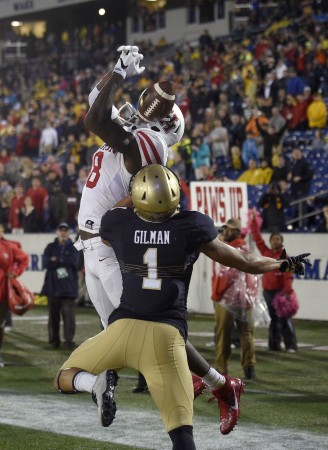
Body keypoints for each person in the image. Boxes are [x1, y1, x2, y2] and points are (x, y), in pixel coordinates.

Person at [54, 165, 310, 447]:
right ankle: (222, 385)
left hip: (121, 331)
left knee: (64, 377)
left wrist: (133, 198)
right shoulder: (192, 226)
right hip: (166, 339)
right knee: (181, 436)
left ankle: (94, 385)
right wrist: (280, 264)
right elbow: (245, 261)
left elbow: (106, 229)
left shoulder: (117, 222)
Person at [76, 45, 229, 398]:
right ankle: (107, 385)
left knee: (144, 325)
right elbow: (95, 98)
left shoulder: (149, 143)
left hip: (109, 246)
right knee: (112, 328)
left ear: (160, 124)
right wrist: (114, 72)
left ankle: (212, 381)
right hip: (90, 244)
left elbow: (94, 118)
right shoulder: (135, 133)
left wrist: (118, 73)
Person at [211, 218, 257, 380]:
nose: (225, 232)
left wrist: (216, 294)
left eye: (228, 229)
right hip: (246, 300)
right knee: (246, 334)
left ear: (237, 231)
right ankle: (249, 366)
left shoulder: (232, 248)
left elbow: (225, 275)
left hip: (227, 299)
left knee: (223, 334)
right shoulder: (246, 247)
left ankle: (221, 368)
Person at [250, 208, 298, 352]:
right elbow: (257, 238)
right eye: (273, 239)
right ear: (270, 241)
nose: (275, 241)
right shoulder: (266, 252)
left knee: (285, 320)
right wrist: (253, 221)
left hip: (280, 293)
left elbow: (288, 276)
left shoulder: (286, 257)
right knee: (272, 321)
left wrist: (287, 292)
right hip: (268, 292)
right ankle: (274, 344)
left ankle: (291, 345)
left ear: (281, 242)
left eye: (278, 239)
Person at [41, 222, 79, 349]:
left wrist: (56, 259)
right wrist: (62, 260)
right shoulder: (50, 247)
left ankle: (69, 341)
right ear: (57, 232)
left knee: (69, 318)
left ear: (69, 233)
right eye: (61, 230)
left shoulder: (74, 247)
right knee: (53, 317)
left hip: (68, 288)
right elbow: (46, 263)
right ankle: (54, 340)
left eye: (65, 230)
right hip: (53, 287)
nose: (63, 233)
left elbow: (74, 262)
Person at [0, 223, 29, 366]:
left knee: (0, 325)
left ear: (2, 231)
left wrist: (15, 272)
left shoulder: (8, 246)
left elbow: (24, 259)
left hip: (2, 293)